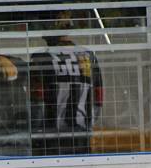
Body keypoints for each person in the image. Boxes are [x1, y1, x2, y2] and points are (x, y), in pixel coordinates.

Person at [29, 26, 103, 156]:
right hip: (81, 130)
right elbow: (98, 98)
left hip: (50, 133)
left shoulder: (40, 56)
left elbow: (36, 100)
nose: (43, 37)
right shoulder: (89, 56)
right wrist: (88, 124)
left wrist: (36, 130)